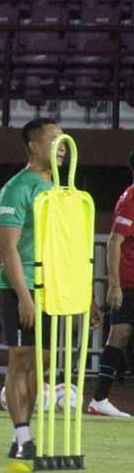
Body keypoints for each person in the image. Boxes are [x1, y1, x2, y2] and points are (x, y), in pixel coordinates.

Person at [0, 118, 100, 458]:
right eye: (54, 139)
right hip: (22, 288)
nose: (62, 145)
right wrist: (24, 297)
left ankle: (24, 419)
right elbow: (8, 248)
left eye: (64, 140)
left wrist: (89, 295)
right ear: (33, 146)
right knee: (21, 361)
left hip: (55, 289)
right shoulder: (17, 188)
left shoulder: (63, 191)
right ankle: (22, 437)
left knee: (41, 364)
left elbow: (71, 249)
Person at [90, 150, 134, 417]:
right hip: (129, 283)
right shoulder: (131, 199)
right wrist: (114, 284)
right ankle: (99, 399)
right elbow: (114, 241)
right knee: (119, 334)